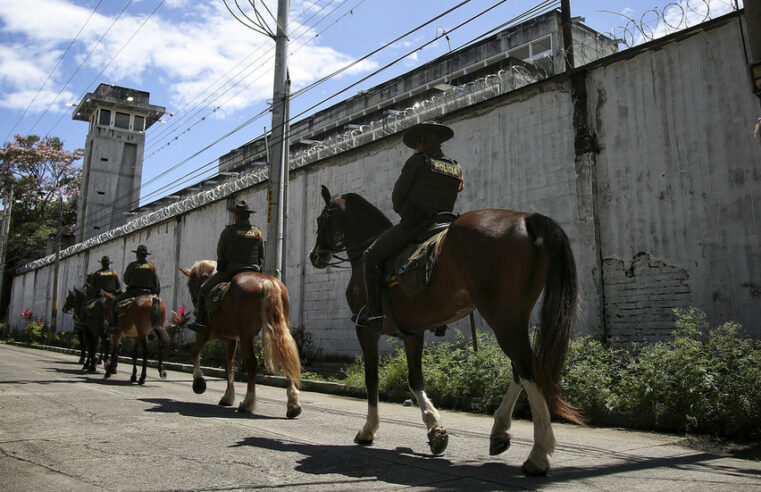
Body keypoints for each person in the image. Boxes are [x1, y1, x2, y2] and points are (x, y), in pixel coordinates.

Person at [358, 121, 463, 327]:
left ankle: (374, 314)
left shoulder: (418, 161)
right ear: (439, 142)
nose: (417, 146)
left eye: (418, 142)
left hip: (418, 226)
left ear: (422, 141)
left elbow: (398, 198)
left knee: (370, 256)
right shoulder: (455, 166)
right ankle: (439, 320)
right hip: (446, 224)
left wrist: (408, 213)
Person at [190, 200, 264, 332]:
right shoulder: (257, 232)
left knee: (203, 289)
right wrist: (258, 268)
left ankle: (200, 321)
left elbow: (220, 252)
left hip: (232, 270)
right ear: (248, 216)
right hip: (254, 269)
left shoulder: (229, 231)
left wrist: (221, 267)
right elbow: (261, 254)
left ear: (236, 215)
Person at [109, 245, 160, 329]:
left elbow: (126, 280)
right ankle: (155, 325)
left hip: (133, 292)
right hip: (147, 292)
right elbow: (155, 281)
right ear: (145, 255)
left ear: (137, 255)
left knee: (114, 302)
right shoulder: (151, 266)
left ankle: (114, 325)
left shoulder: (132, 265)